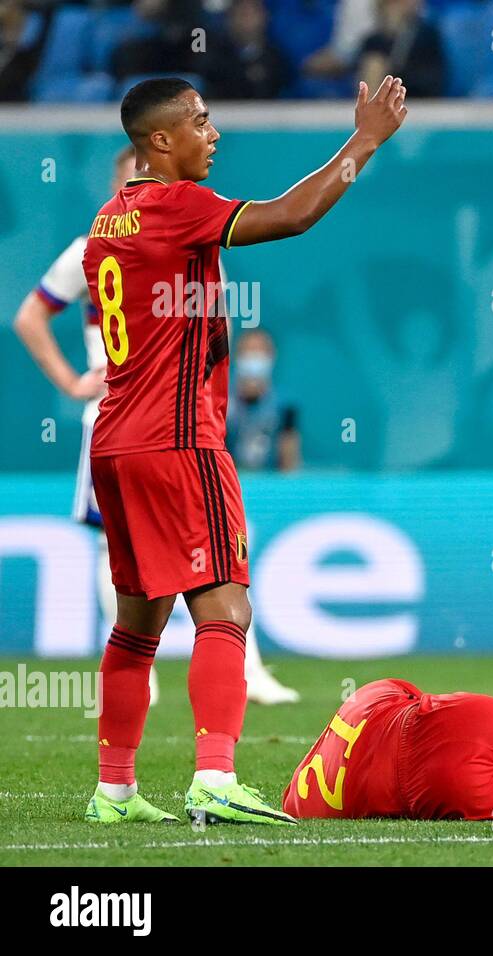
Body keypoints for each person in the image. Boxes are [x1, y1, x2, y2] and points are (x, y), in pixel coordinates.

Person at [81, 74, 407, 827]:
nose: (213, 131)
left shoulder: (110, 218)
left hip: (117, 441)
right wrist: (365, 140)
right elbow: (292, 216)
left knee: (136, 623)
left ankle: (115, 791)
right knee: (226, 602)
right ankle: (216, 777)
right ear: (159, 142)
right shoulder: (177, 203)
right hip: (177, 438)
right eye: (199, 120)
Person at [12, 146, 299, 710]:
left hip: (170, 417)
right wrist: (72, 381)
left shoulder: (177, 230)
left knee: (215, 551)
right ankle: (160, 680)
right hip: (134, 412)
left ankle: (239, 671)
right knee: (141, 555)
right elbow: (30, 316)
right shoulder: (99, 241)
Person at [283, 679, 493, 821]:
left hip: (441, 783)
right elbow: (409, 693)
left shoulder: (299, 804)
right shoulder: (369, 694)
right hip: (465, 716)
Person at [226, 329, 301, 472]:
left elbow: (289, 464)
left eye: (259, 352)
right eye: (248, 352)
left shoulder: (285, 405)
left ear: (271, 357)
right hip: (230, 482)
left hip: (270, 485)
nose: (253, 359)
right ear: (237, 356)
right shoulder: (221, 401)